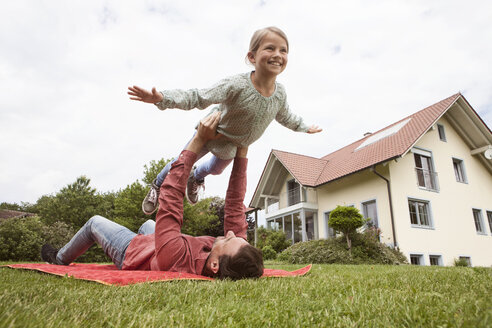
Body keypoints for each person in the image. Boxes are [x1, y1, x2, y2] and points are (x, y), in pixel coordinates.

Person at [41, 112, 264, 280]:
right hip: (161, 246)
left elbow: (171, 197)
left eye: (229, 239)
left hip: (132, 253)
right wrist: (242, 152)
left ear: (214, 265)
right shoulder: (230, 256)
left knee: (94, 223)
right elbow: (235, 204)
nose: (231, 232)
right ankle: (149, 240)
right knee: (149, 224)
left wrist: (198, 140)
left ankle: (59, 258)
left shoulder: (175, 257)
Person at [128, 26, 322, 214]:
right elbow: (199, 96)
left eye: (283, 50)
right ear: (252, 57)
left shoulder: (280, 94)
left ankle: (196, 177)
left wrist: (304, 127)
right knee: (181, 163)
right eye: (270, 48)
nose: (278, 54)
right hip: (211, 132)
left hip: (233, 145)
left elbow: (286, 116)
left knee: (216, 169)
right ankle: (157, 185)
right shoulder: (237, 84)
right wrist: (162, 98)